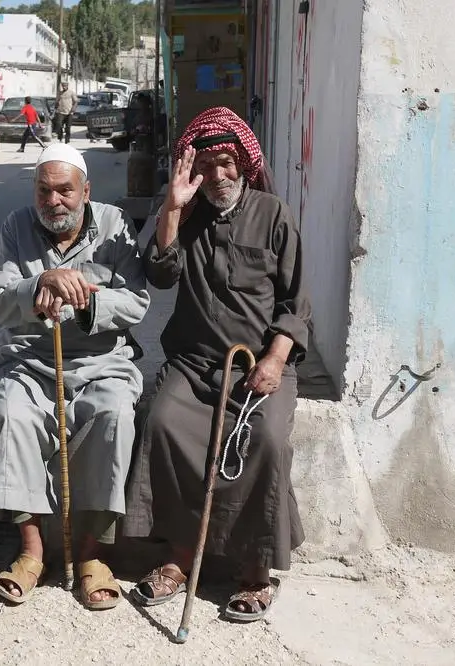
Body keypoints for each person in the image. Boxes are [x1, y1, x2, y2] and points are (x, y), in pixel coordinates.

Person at [124, 106, 311, 622]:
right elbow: (160, 275)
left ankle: (255, 570)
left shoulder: (274, 214)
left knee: (267, 440)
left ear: (243, 163)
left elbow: (296, 306)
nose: (218, 175)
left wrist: (275, 358)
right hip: (194, 363)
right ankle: (181, 557)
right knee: (161, 423)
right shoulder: (187, 215)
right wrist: (171, 206)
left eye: (226, 162)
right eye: (206, 166)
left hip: (258, 366)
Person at [0, 143, 150, 610]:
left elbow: (137, 301)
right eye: (44, 190)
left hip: (102, 361)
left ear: (86, 191)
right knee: (10, 412)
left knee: (114, 414)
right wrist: (38, 284)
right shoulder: (17, 225)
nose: (53, 201)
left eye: (64, 191)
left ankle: (91, 554)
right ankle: (32, 550)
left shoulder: (115, 224)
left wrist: (87, 301)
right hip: (31, 358)